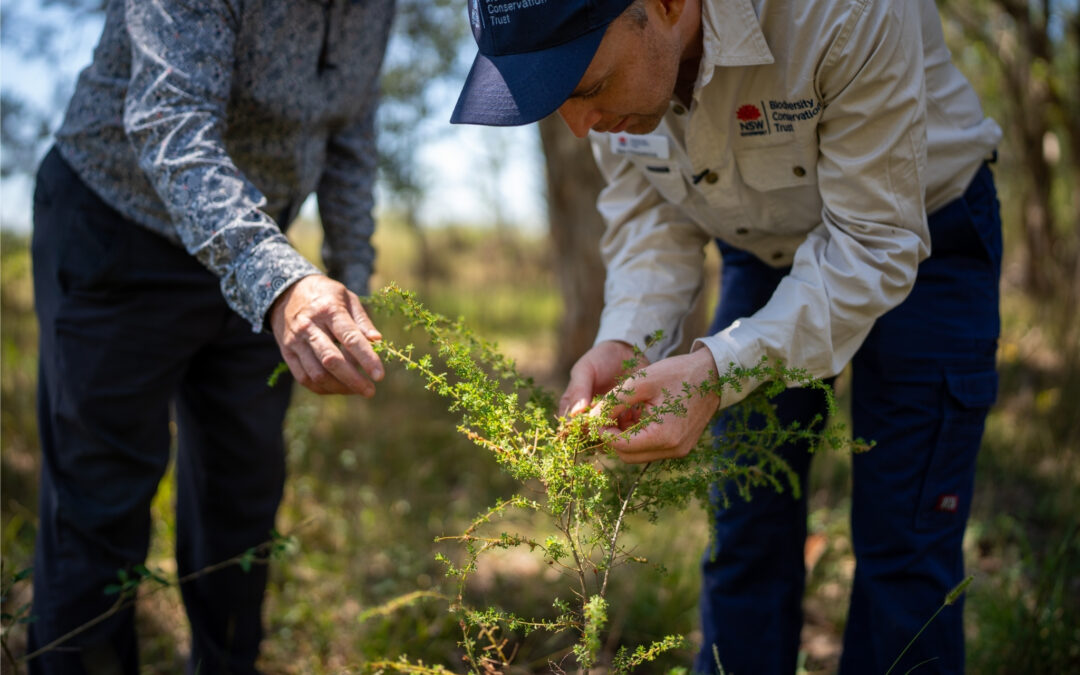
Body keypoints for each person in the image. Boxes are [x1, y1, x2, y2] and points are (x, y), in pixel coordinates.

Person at [452, 0, 1002, 673]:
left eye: (588, 88)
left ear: (666, 6)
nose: (578, 124)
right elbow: (653, 216)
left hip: (922, 234)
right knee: (746, 528)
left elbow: (873, 243)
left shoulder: (842, 13)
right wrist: (629, 343)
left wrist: (717, 371)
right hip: (763, 247)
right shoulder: (613, 61)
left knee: (907, 541)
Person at [28, 1, 394, 672]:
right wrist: (278, 281)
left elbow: (351, 132)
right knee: (98, 503)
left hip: (263, 247)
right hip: (117, 224)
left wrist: (351, 276)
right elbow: (170, 121)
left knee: (242, 493)